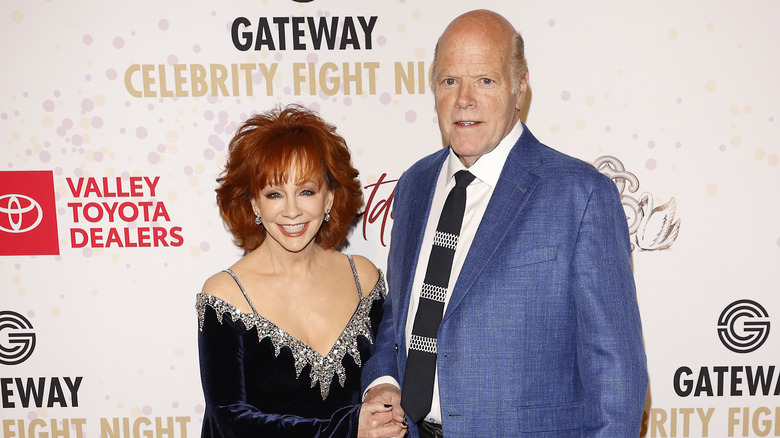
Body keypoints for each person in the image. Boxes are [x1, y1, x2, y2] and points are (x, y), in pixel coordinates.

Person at [362, 9, 648, 437]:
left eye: (485, 80)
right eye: (449, 80)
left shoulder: (581, 195)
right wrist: (382, 382)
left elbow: (617, 381)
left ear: (519, 88)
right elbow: (400, 316)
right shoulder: (415, 185)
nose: (464, 99)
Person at [196, 105, 407, 438]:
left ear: (329, 198)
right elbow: (228, 419)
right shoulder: (225, 293)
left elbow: (392, 368)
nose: (292, 210)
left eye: (306, 191)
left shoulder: (363, 278)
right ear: (254, 204)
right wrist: (347, 430)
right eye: (274, 194)